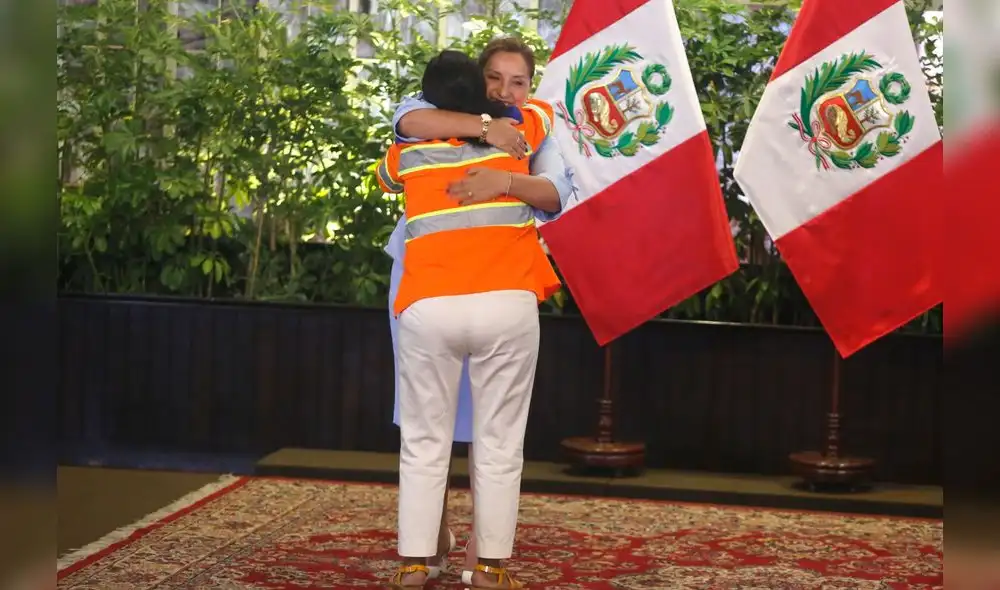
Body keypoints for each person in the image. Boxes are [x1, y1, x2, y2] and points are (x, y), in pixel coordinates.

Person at [387, 37, 577, 588]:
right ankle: (486, 564)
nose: (504, 90)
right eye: (494, 77)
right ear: (478, 76)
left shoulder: (416, 145)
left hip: (430, 296)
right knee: (496, 437)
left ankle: (415, 563)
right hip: (495, 294)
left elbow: (555, 192)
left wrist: (504, 179)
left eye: (517, 81)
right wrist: (489, 128)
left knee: (425, 435)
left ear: (528, 84)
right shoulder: (527, 122)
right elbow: (415, 117)